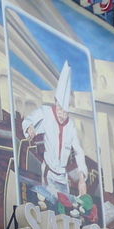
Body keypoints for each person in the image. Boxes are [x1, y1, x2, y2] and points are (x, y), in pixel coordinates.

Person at [21, 61, 88, 202]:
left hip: (63, 177)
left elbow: (78, 152)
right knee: (50, 202)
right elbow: (28, 122)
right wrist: (29, 128)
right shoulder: (46, 113)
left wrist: (82, 179)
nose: (62, 115)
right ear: (55, 102)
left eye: (66, 112)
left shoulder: (71, 126)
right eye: (60, 109)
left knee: (65, 205)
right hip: (49, 174)